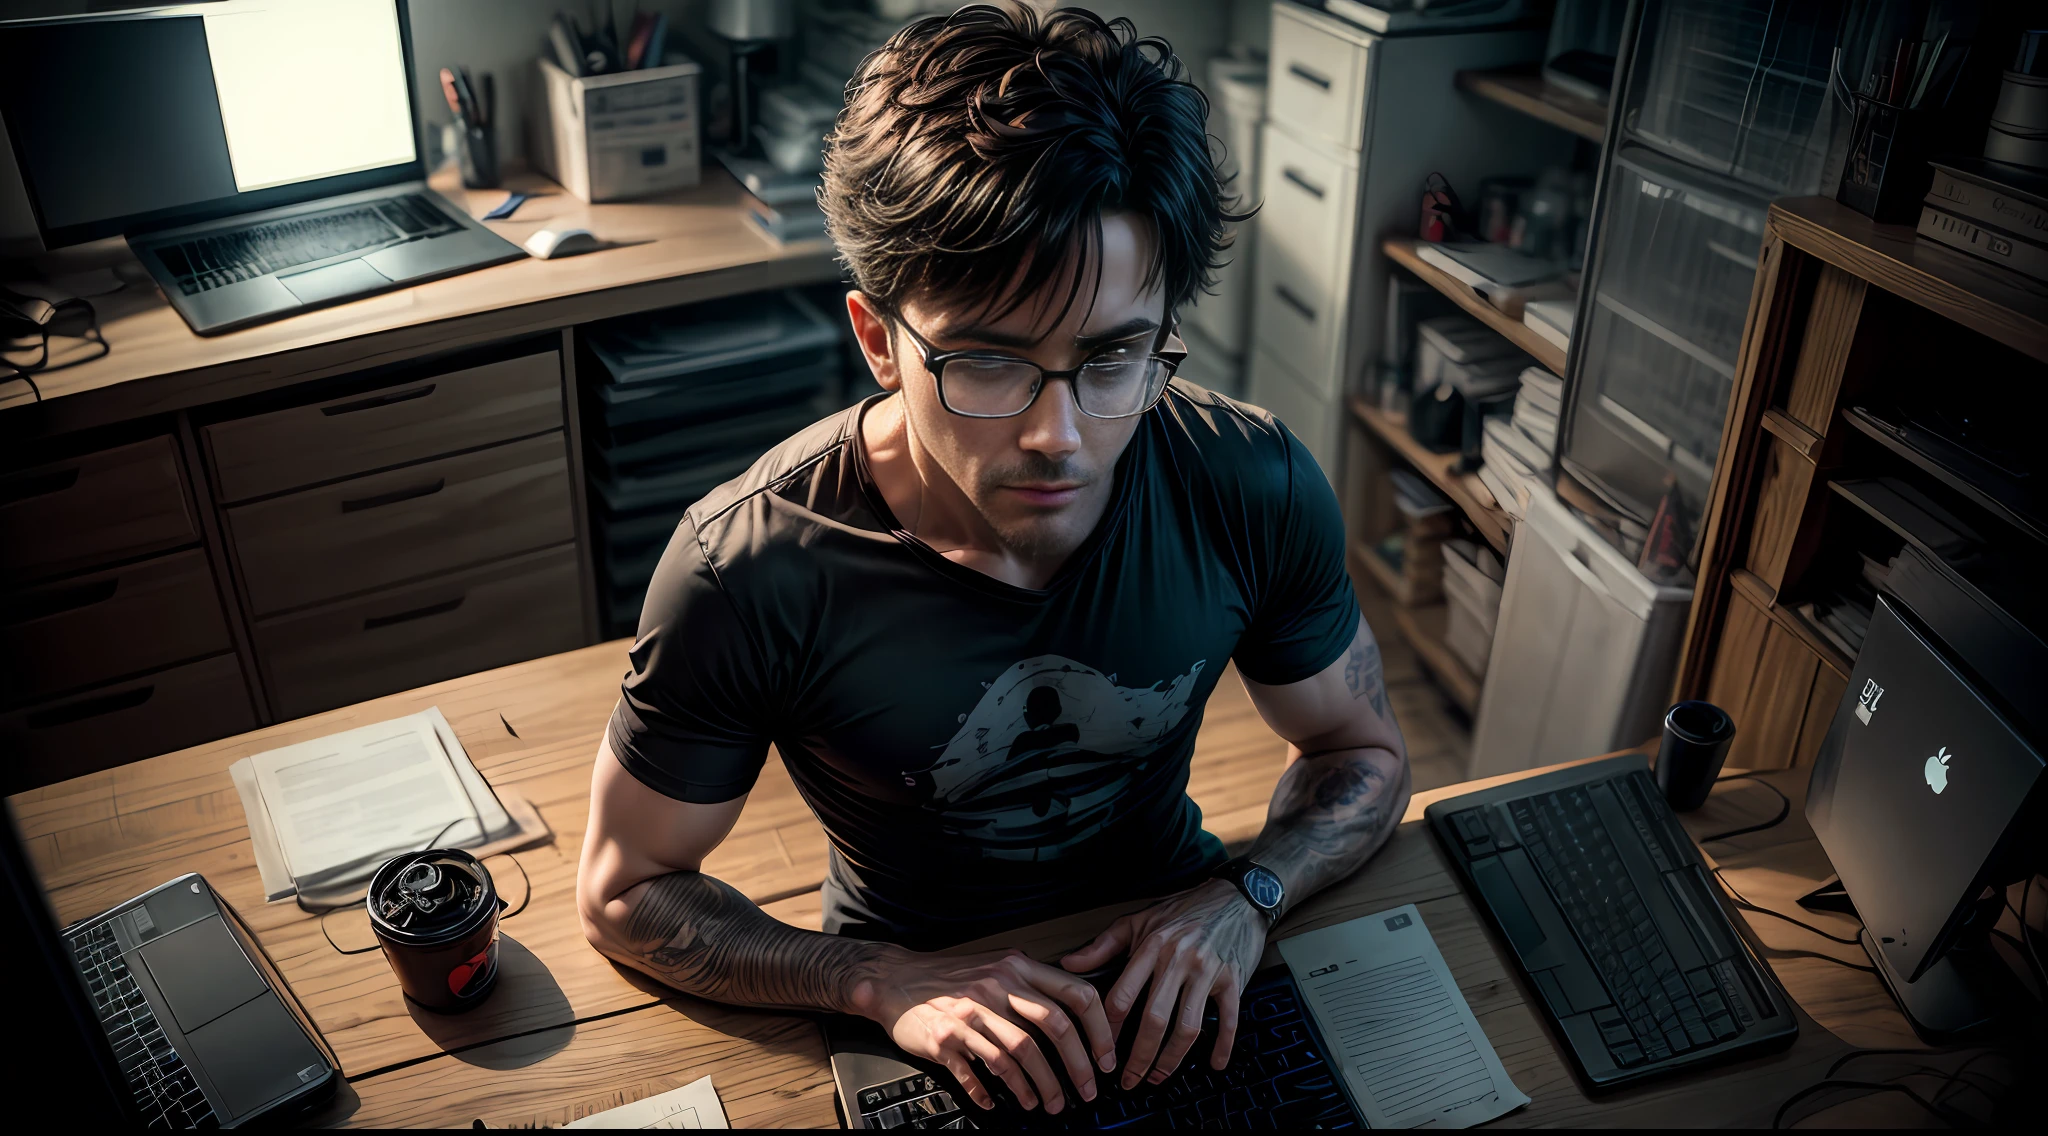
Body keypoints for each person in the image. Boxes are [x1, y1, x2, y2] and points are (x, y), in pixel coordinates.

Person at [577, 2, 1411, 1116]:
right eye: (986, 361)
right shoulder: (750, 568)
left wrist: (1245, 893)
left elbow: (1362, 749)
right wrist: (871, 979)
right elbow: (625, 888)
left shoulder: (1245, 481)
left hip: (1185, 947)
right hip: (915, 999)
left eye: (1113, 355)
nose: (1057, 437)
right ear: (878, 339)